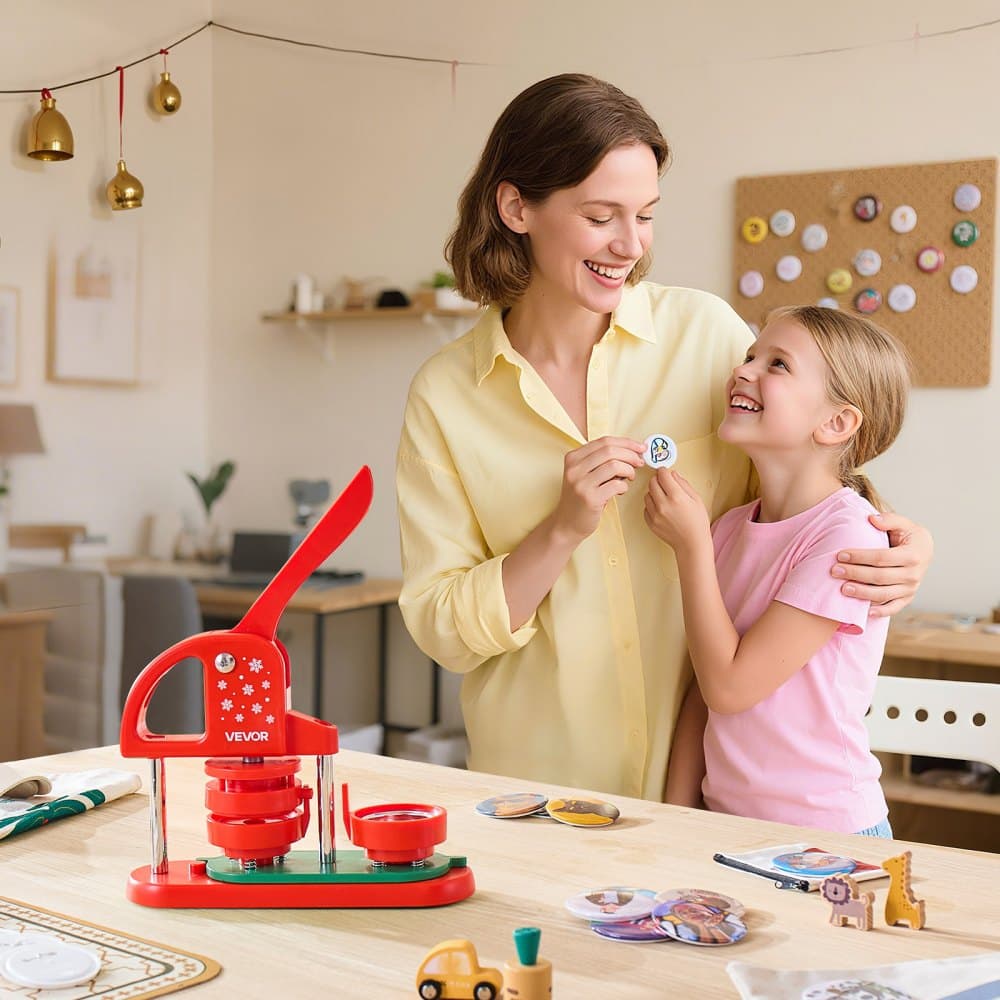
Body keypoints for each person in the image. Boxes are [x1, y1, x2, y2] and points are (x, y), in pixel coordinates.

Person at [395, 73, 933, 801]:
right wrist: (560, 531)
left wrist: (901, 544)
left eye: (645, 215)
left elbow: (807, 479)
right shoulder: (448, 395)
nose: (629, 244)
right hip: (539, 788)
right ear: (517, 206)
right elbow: (442, 630)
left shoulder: (707, 336)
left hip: (709, 799)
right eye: (601, 215)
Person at [646, 306, 910, 835]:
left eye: (778, 364)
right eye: (749, 356)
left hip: (824, 837)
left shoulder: (847, 537)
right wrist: (675, 823)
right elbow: (702, 695)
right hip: (729, 828)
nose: (744, 370)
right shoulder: (728, 529)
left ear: (836, 422)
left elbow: (730, 687)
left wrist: (691, 546)